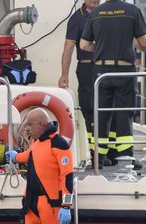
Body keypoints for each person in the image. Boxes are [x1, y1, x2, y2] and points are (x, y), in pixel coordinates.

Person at [80, 0, 146, 168]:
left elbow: (84, 44)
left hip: (101, 71)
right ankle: (124, 157)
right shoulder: (132, 11)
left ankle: (98, 159)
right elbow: (143, 42)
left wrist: (103, 48)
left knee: (100, 114)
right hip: (124, 70)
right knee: (124, 114)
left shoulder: (96, 13)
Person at [5, 108, 74, 224]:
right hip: (32, 205)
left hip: (51, 206)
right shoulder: (37, 143)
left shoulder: (59, 144)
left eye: (29, 125)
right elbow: (29, 156)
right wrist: (14, 157)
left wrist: (66, 206)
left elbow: (67, 178)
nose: (27, 129)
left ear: (41, 125)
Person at [58, 0, 99, 160]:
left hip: (107, 69)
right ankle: (96, 154)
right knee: (89, 109)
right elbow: (68, 48)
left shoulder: (105, 14)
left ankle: (112, 154)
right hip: (87, 69)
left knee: (109, 109)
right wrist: (64, 74)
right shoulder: (77, 18)